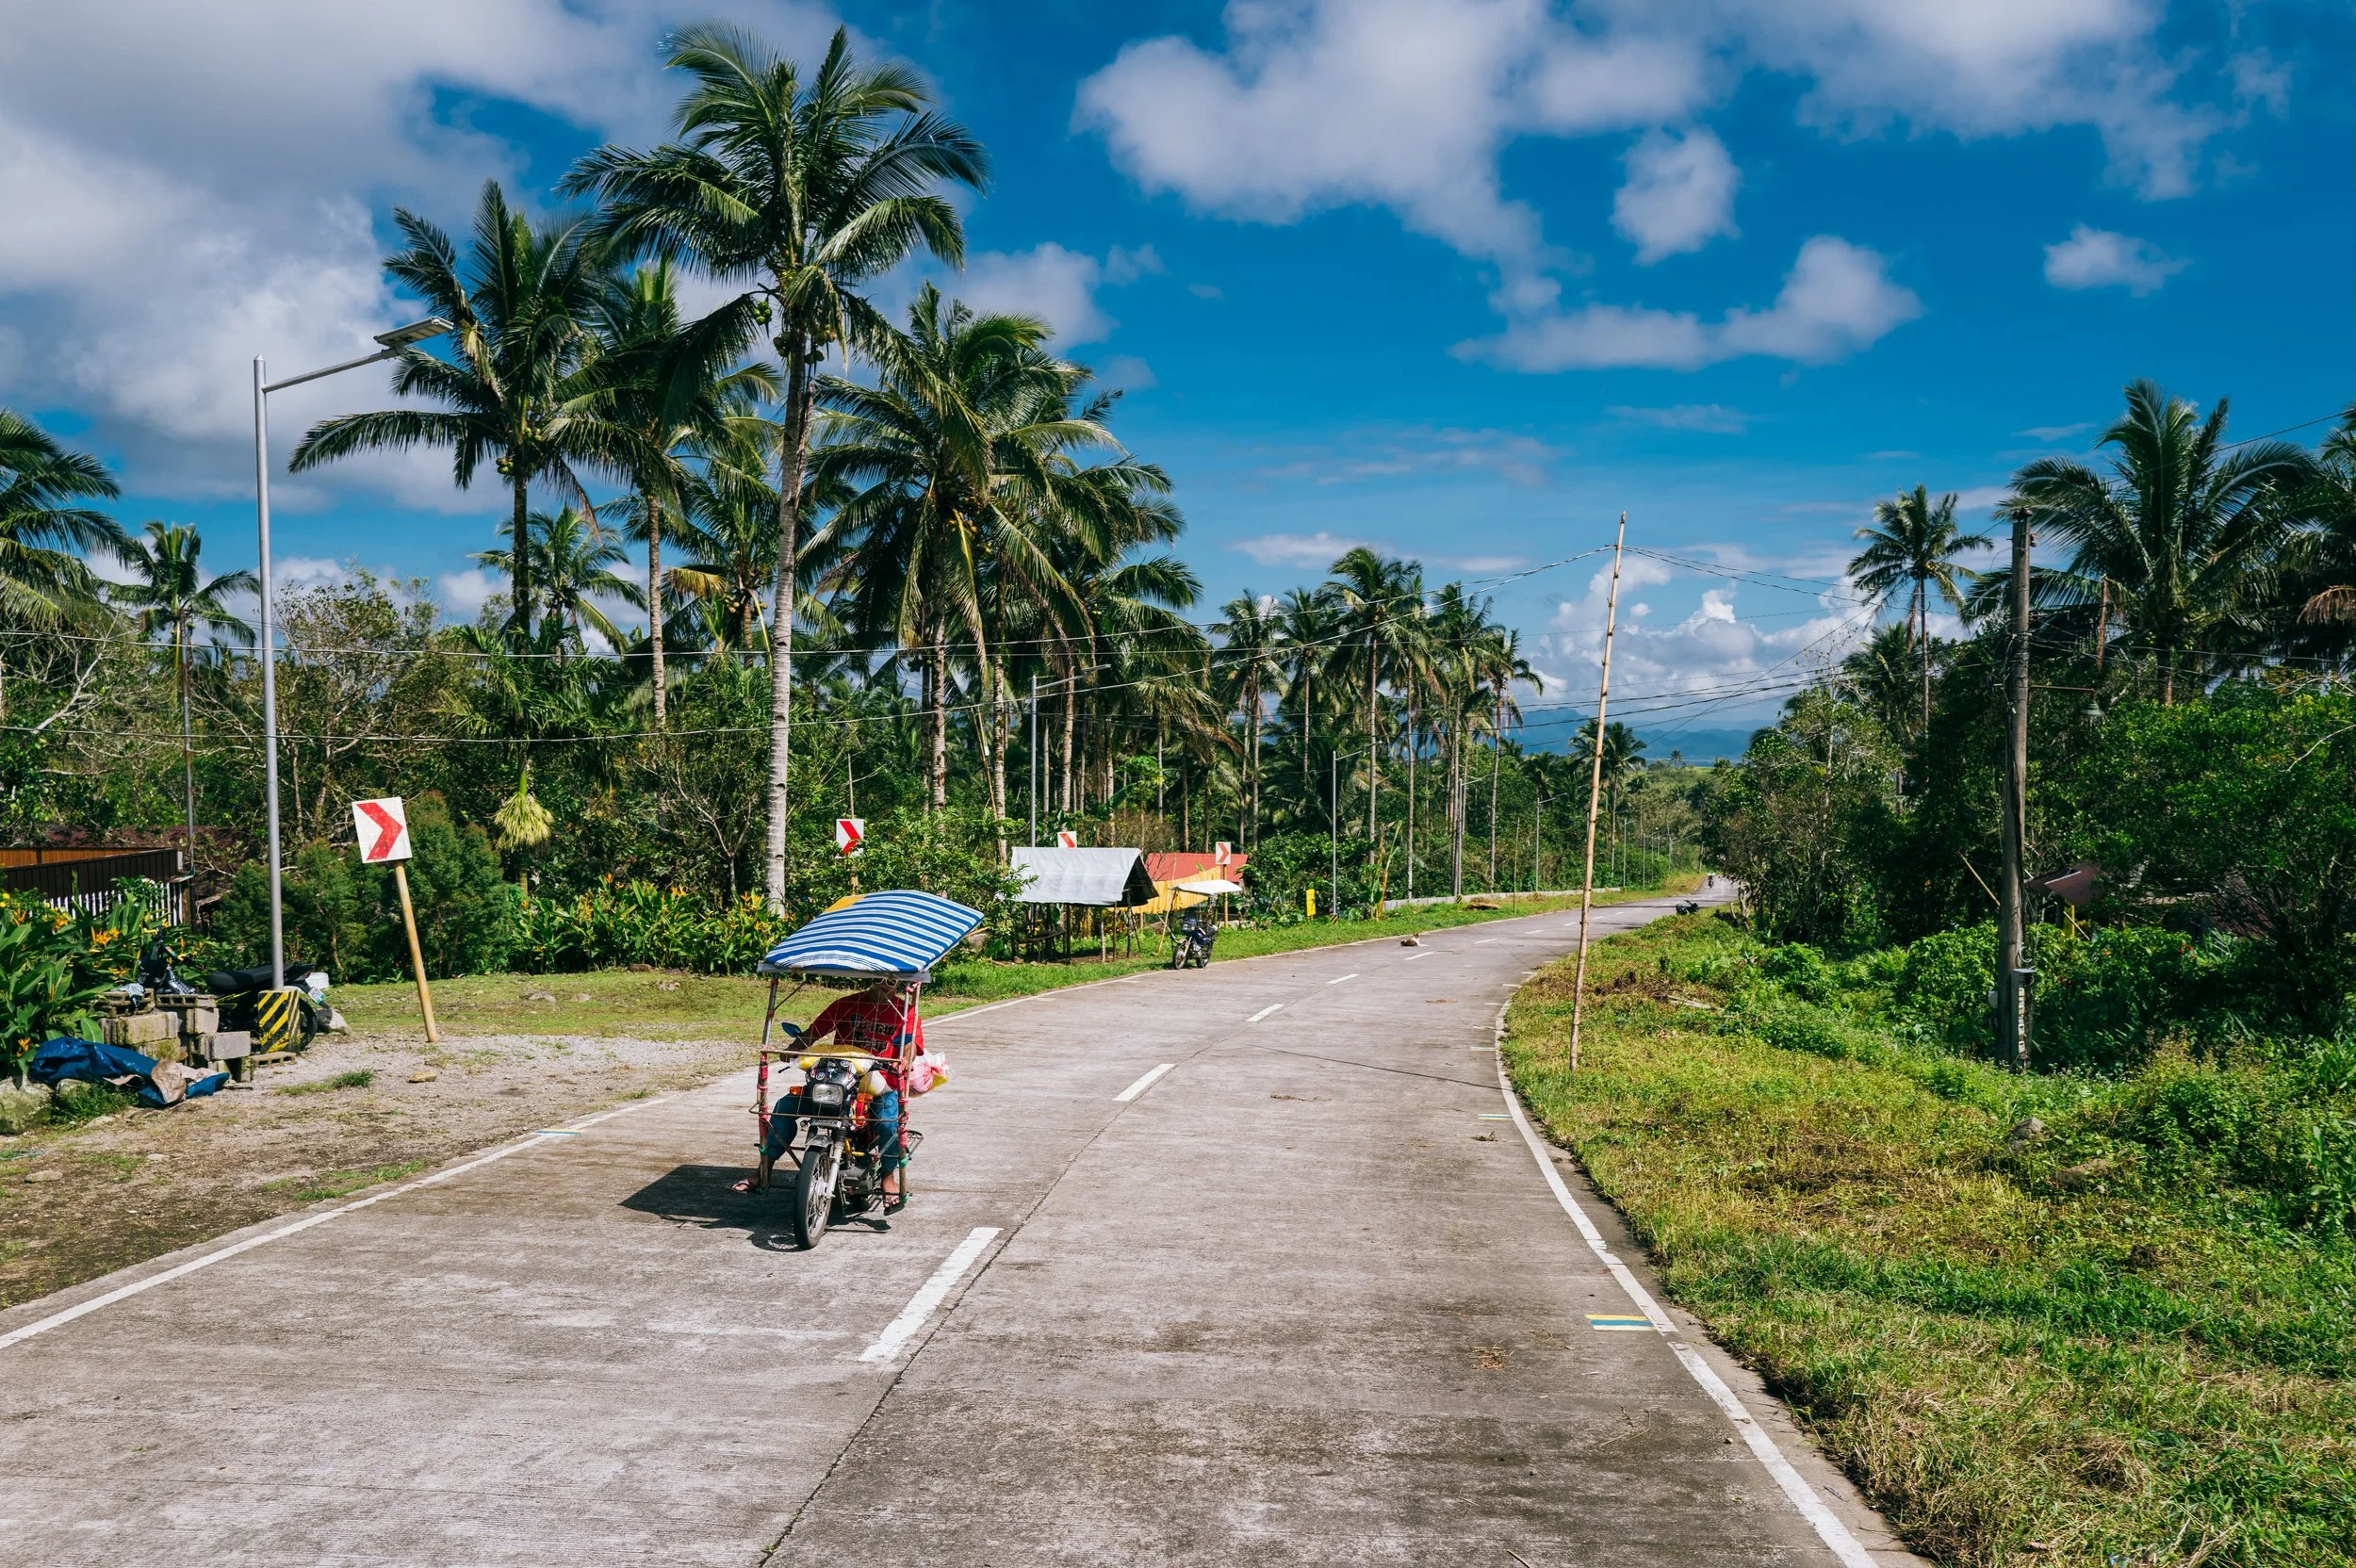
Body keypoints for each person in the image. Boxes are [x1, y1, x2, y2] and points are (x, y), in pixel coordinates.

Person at [737, 976, 922, 1209]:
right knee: (785, 1107)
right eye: (879, 978)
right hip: (837, 1079)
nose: (885, 984)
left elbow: (911, 1044)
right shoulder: (845, 1004)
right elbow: (814, 1032)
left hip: (879, 1081)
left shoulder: (906, 1012)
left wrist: (904, 1059)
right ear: (870, 978)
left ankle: (888, 1177)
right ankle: (763, 1170)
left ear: (899, 982)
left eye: (891, 980)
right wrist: (793, 1049)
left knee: (888, 1123)